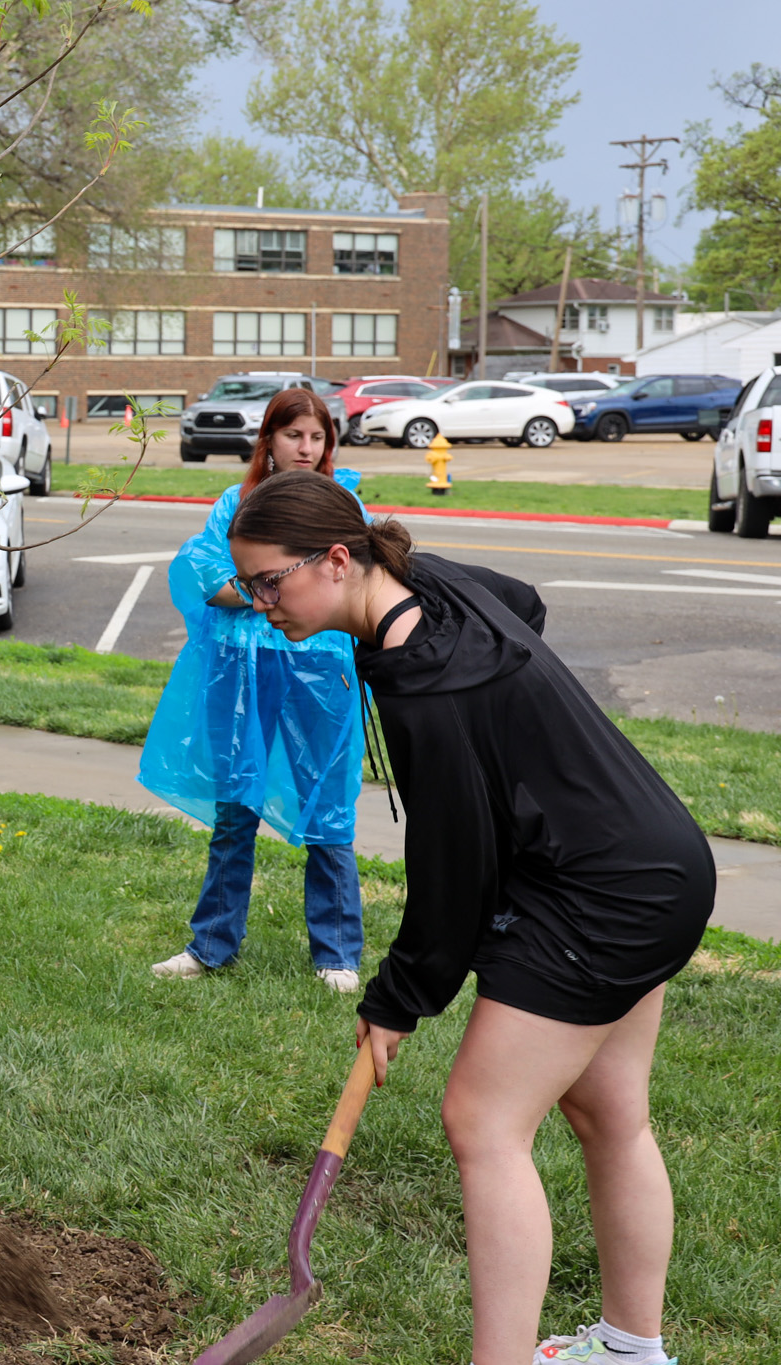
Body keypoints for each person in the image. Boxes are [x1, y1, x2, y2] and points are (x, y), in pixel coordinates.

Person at [228, 471, 711, 1365]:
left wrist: (398, 999)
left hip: (599, 896)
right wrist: (523, 743)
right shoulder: (424, 576)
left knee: (482, 1121)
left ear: (337, 559)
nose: (259, 604)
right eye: (248, 584)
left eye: (268, 582)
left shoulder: (429, 689)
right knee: (611, 1113)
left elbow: (453, 882)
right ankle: (631, 1349)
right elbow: (522, 601)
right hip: (657, 856)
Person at [139, 388, 367, 992]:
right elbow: (208, 579)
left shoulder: (344, 504)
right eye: (295, 435)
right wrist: (279, 588)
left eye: (318, 437)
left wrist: (256, 587)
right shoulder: (233, 504)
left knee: (327, 808)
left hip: (319, 676)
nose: (307, 448)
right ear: (268, 439)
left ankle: (337, 953)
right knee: (235, 811)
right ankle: (211, 944)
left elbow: (348, 583)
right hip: (238, 673)